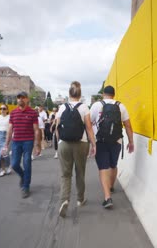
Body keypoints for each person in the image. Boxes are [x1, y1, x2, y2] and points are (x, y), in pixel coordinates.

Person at [55, 81, 96, 217]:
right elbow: (89, 127)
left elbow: (57, 127)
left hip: (64, 143)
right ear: (80, 94)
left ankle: (64, 200)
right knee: (80, 172)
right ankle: (80, 199)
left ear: (69, 93)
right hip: (81, 143)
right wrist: (94, 144)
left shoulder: (62, 107)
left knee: (65, 174)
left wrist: (59, 143)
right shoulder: (84, 107)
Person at [90, 85, 134, 209]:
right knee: (113, 165)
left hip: (101, 141)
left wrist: (91, 142)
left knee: (103, 167)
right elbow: (128, 126)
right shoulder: (121, 106)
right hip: (117, 141)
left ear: (104, 94)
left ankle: (107, 197)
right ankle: (111, 186)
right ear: (114, 95)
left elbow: (89, 124)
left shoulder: (96, 105)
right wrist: (131, 142)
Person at [4, 91, 41, 198]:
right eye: (19, 97)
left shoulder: (33, 113)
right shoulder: (13, 113)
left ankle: (26, 187)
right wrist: (6, 144)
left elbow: (36, 130)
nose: (20, 99)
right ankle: (23, 176)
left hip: (28, 141)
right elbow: (10, 129)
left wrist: (37, 145)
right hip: (16, 142)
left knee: (27, 162)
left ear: (27, 99)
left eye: (23, 97)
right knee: (15, 164)